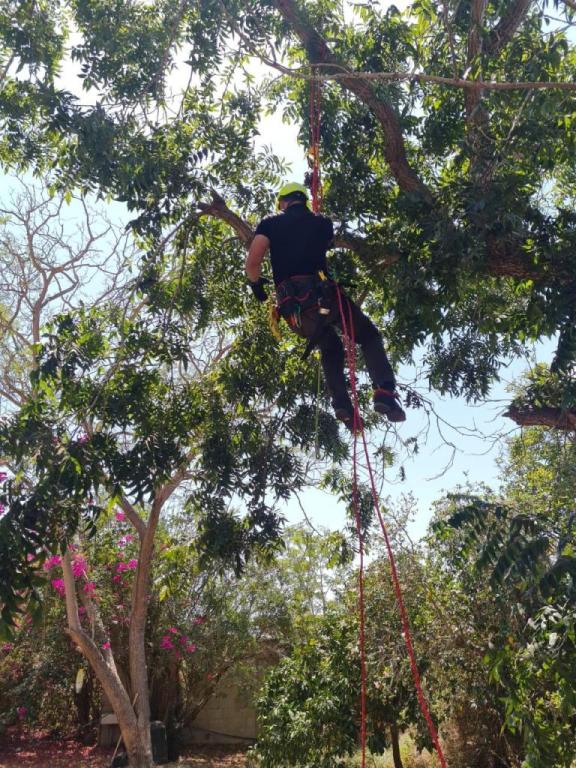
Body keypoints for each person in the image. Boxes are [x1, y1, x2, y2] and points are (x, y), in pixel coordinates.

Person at [245, 182, 405, 429]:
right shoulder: (322, 223)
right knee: (368, 336)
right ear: (303, 201)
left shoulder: (270, 223)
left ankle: (341, 404)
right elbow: (325, 241)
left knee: (330, 348)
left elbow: (253, 262)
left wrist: (256, 286)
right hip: (325, 300)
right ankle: (384, 390)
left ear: (283, 202)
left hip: (297, 313)